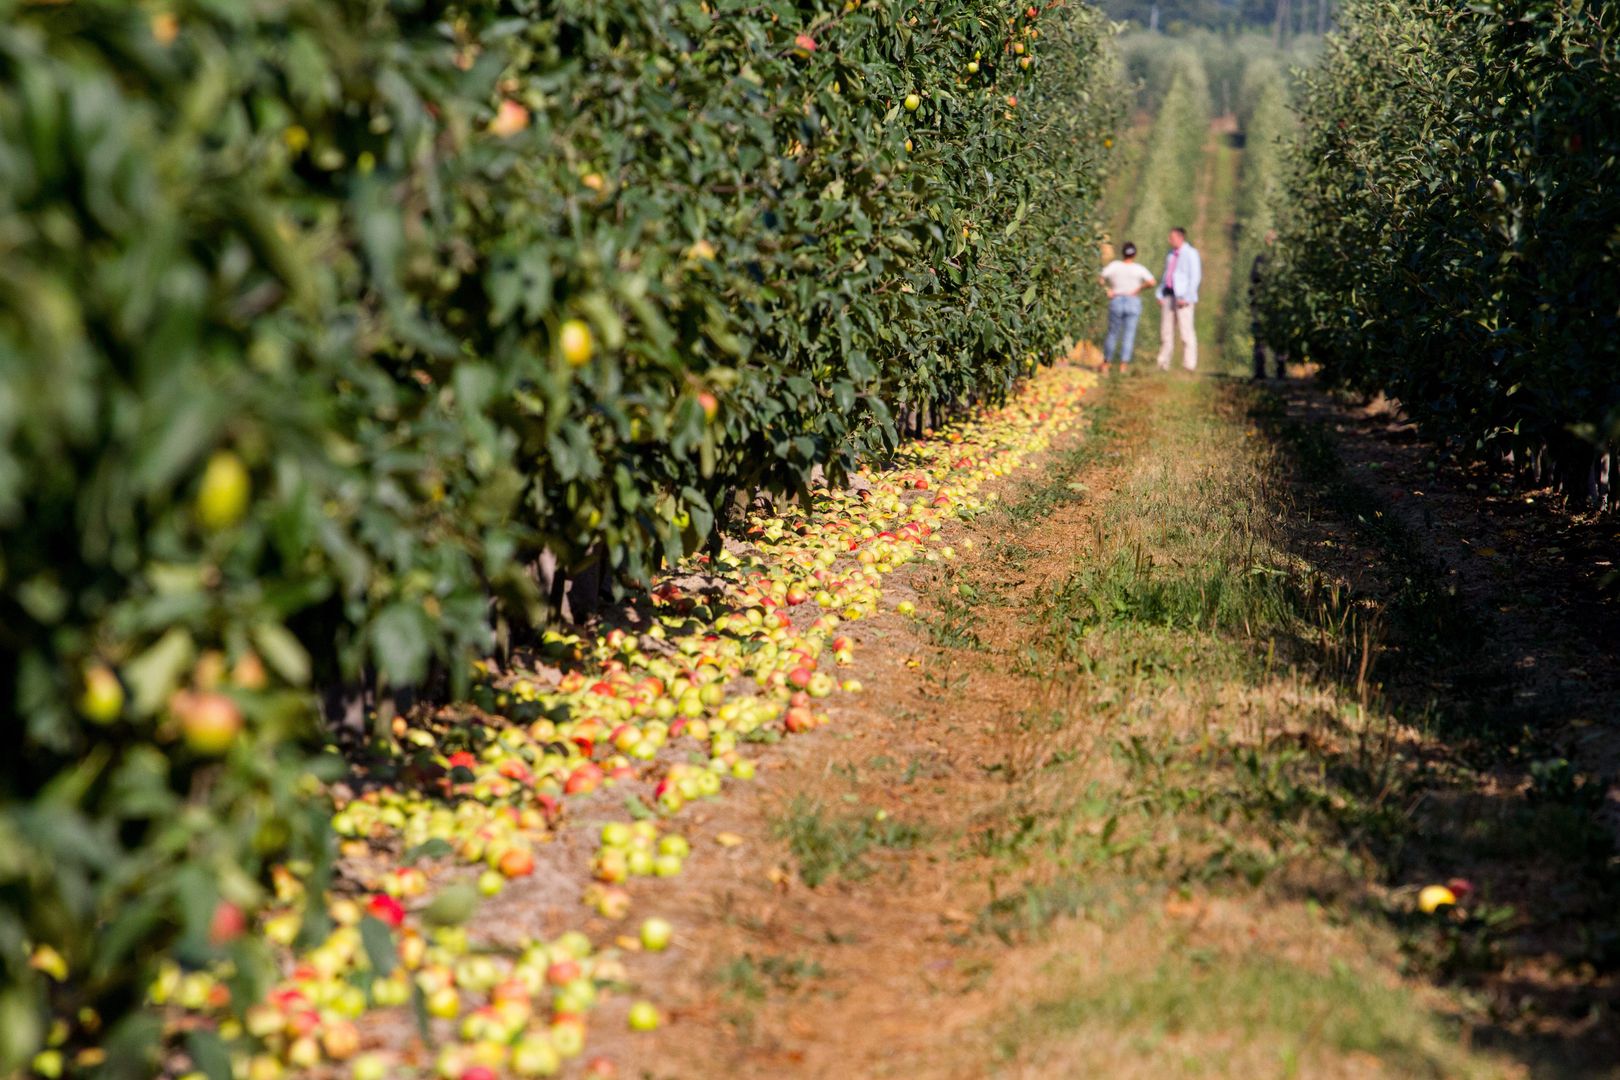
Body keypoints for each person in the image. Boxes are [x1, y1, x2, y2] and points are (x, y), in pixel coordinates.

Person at [1099, 242, 1156, 373]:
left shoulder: (1115, 266)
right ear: (1135, 254)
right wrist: (1139, 288)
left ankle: (1107, 363)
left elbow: (1101, 277)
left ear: (1122, 253)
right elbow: (1152, 282)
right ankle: (1123, 366)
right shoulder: (1138, 268)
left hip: (1117, 299)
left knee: (1113, 333)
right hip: (1132, 300)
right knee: (1129, 334)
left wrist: (1107, 290)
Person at [1155, 227, 1202, 371]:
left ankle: (1189, 364)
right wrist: (1160, 293)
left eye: (1172, 237)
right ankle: (1163, 363)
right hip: (1169, 294)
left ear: (1181, 238)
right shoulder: (1171, 254)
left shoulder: (1190, 254)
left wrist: (1187, 296)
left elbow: (1195, 276)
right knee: (1166, 331)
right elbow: (1167, 275)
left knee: (1186, 331)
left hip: (1182, 296)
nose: (1170, 240)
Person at [1249, 230, 1288, 380]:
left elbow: (1253, 279)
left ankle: (1276, 370)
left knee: (1272, 337)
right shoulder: (1267, 259)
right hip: (1266, 303)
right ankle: (1266, 370)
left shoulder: (1270, 259)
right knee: (1263, 337)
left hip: (1271, 303)